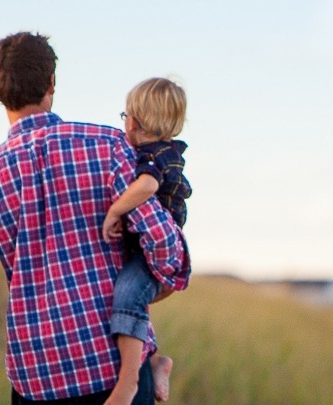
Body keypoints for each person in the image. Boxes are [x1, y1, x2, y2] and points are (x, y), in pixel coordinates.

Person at [0, 32, 190, 405]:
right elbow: (162, 238)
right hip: (113, 369)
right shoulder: (110, 145)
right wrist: (160, 280)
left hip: (38, 378)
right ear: (52, 83)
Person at [100, 77, 193, 404]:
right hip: (145, 250)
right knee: (129, 297)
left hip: (156, 253)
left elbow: (147, 188)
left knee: (127, 294)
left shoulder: (157, 155)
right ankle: (155, 361)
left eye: (124, 116)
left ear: (134, 120)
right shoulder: (161, 150)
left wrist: (115, 210)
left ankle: (128, 384)